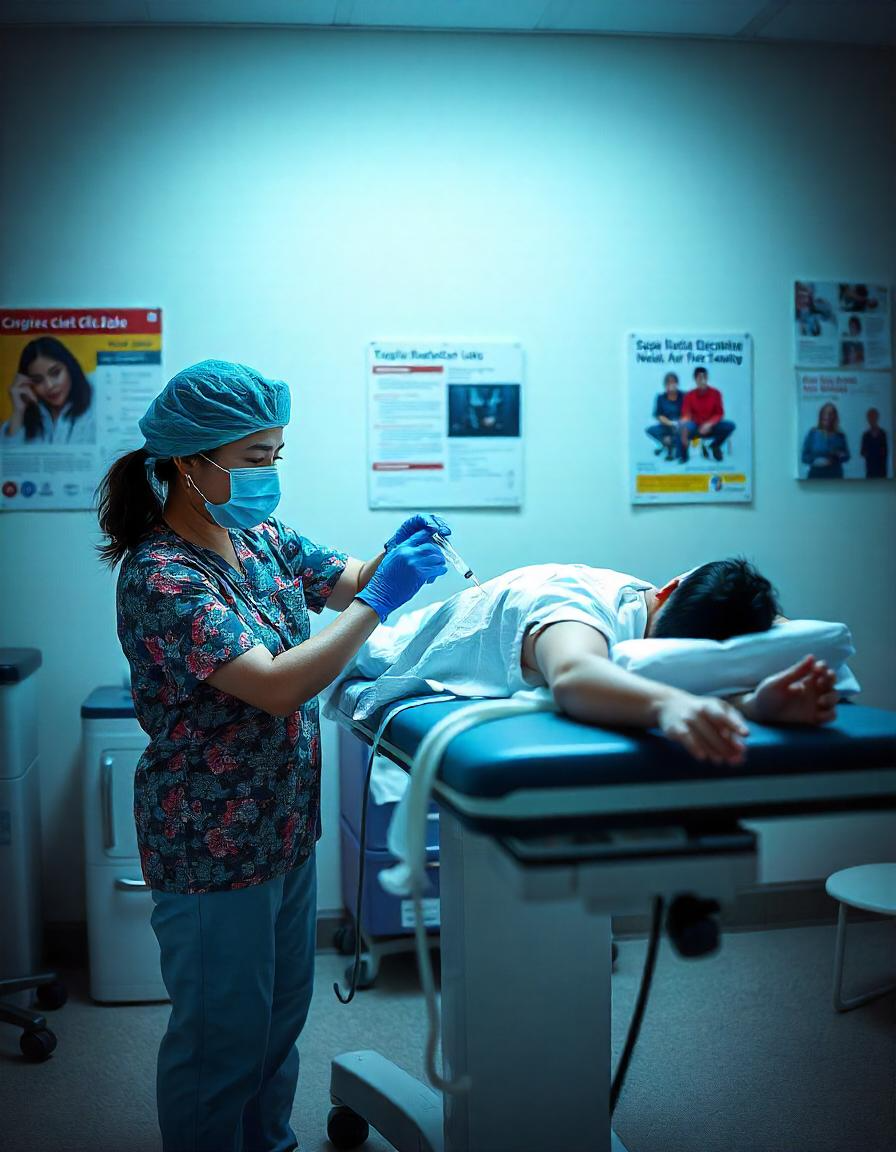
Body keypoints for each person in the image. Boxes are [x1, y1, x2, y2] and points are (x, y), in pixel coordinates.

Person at [96, 359, 450, 1152]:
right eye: (256, 456)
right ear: (191, 464)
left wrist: (391, 557)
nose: (270, 471)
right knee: (222, 1037)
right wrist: (378, 600)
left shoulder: (259, 535)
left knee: (279, 1019)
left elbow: (344, 581)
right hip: (209, 843)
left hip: (283, 826)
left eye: (276, 453)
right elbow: (277, 686)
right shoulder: (162, 576)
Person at [333, 558, 839, 769]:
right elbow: (575, 677)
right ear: (666, 591)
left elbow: (779, 635)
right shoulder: (576, 604)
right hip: (378, 660)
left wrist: (753, 702)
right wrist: (670, 705)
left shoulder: (673, 612)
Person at [1, 336, 95, 444]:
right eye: (37, 380)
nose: (49, 386)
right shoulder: (25, 418)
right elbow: (9, 454)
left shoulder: (97, 401)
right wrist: (18, 411)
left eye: (55, 373)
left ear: (70, 367)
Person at [679, 367, 735, 462]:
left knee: (730, 426)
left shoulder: (716, 393)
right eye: (700, 378)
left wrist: (709, 424)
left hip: (711, 426)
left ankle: (714, 446)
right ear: (695, 379)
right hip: (696, 427)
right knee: (684, 428)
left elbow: (719, 413)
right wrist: (685, 424)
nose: (703, 381)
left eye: (705, 377)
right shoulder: (689, 396)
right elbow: (685, 413)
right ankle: (684, 456)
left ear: (707, 378)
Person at [802, 402, 850, 479]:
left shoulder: (840, 436)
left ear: (835, 417)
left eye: (830, 413)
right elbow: (804, 457)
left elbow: (847, 456)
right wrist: (816, 461)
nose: (827, 416)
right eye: (825, 413)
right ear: (821, 415)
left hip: (835, 475)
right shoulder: (813, 433)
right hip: (816, 475)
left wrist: (839, 455)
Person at [645, 371, 685, 461]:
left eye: (673, 382)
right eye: (668, 382)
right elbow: (658, 415)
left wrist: (679, 423)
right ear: (665, 385)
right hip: (667, 425)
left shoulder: (684, 396)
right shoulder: (660, 397)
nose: (671, 385)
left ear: (677, 383)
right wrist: (671, 423)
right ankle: (667, 443)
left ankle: (672, 445)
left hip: (680, 425)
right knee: (650, 430)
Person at [860, 407, 888, 479]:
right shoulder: (865, 435)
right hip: (870, 470)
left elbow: (885, 452)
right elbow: (862, 452)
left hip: (881, 470)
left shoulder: (882, 434)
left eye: (873, 417)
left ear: (877, 418)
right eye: (870, 417)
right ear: (868, 419)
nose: (872, 419)